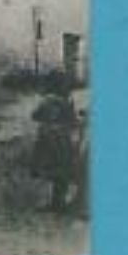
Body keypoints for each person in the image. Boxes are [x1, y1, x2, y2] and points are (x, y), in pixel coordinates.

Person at [31, 72, 81, 212]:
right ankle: (59, 202)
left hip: (46, 138)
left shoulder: (46, 100)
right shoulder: (67, 102)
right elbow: (73, 121)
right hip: (62, 138)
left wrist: (47, 119)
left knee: (48, 170)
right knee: (62, 168)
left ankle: (53, 202)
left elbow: (34, 115)